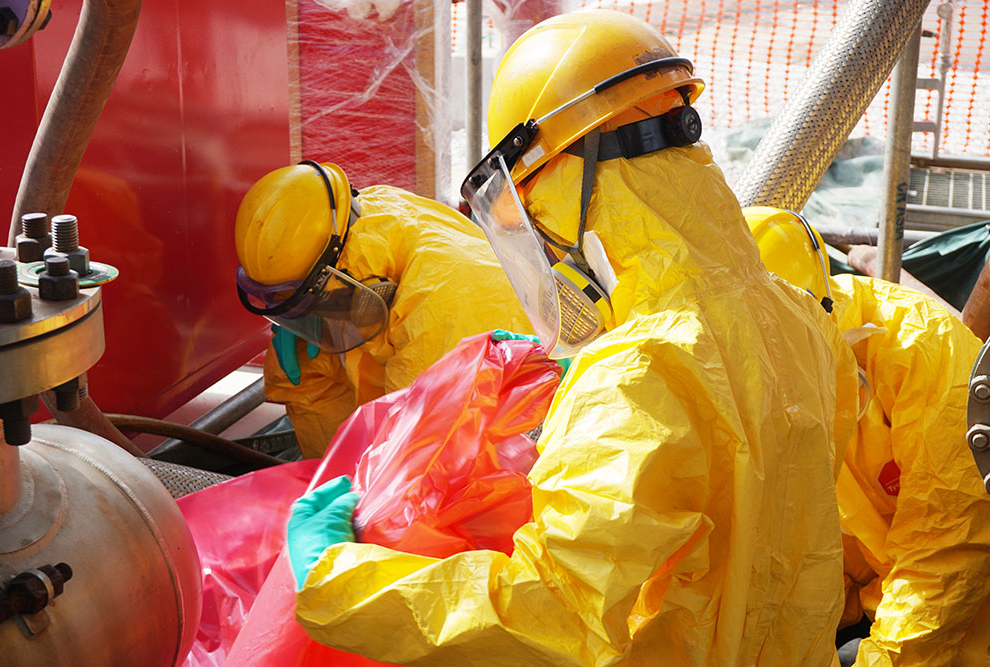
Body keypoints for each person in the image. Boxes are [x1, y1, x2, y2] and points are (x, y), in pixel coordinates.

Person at [286, 10, 860, 665]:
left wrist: (337, 577)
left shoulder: (637, 378)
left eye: (529, 209)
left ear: (567, 179)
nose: (539, 236)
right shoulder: (799, 318)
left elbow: (548, 612)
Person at [746, 205, 990, 666]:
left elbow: (949, 556)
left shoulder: (924, 354)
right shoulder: (783, 370)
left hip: (960, 625)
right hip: (888, 601)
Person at [234, 161, 533, 457]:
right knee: (308, 366)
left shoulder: (439, 310)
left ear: (334, 274)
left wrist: (352, 492)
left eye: (301, 299)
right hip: (437, 362)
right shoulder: (368, 221)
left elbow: (407, 461)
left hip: (498, 443)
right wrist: (305, 316)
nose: (300, 316)